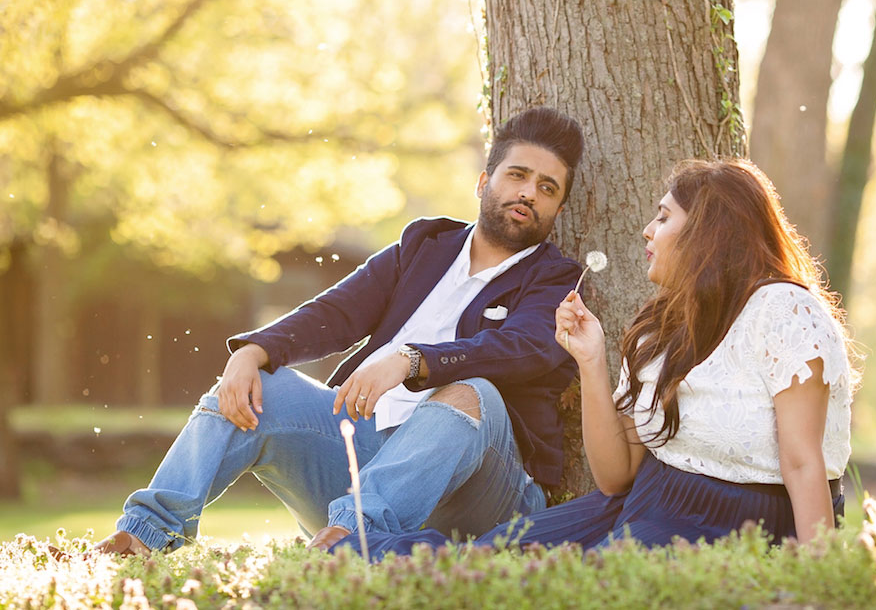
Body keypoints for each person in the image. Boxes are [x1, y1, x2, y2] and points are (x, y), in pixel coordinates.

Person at [88, 107, 585, 556]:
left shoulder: (555, 279)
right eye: (517, 175)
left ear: (557, 209)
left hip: (482, 487)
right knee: (265, 383)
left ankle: (353, 541)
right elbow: (336, 311)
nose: (528, 193)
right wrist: (253, 351)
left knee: (472, 393)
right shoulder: (424, 246)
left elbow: (522, 349)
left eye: (547, 188)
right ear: (483, 182)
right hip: (366, 460)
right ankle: (146, 535)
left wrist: (412, 360)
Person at [338, 158, 854, 557]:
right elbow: (616, 477)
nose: (648, 232)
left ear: (709, 232)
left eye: (664, 217)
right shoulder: (662, 328)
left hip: (746, 525)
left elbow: (804, 462)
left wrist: (815, 585)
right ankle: (346, 555)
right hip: (645, 502)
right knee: (491, 563)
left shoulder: (784, 311)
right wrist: (591, 362)